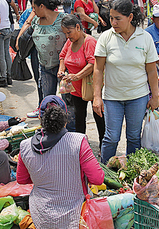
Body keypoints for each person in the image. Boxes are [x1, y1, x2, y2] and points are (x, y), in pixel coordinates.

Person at [16, 95, 104, 228]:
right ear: (65, 119)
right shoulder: (78, 142)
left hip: (40, 217)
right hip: (74, 217)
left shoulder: (25, 146)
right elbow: (97, 179)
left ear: (40, 118)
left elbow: (22, 179)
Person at [93, 0, 159, 164]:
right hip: (112, 98)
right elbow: (98, 69)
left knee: (134, 137)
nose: (113, 22)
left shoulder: (144, 38)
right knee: (111, 137)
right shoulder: (106, 38)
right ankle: (105, 172)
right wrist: (97, 96)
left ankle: (132, 171)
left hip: (138, 97)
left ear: (130, 17)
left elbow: (151, 70)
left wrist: (155, 96)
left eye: (118, 18)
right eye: (111, 18)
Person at [58, 15, 106, 147]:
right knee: (79, 118)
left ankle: (104, 145)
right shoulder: (70, 41)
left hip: (91, 86)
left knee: (99, 116)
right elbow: (62, 56)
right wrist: (61, 70)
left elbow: (93, 63)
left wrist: (77, 75)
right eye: (65, 33)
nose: (68, 36)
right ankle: (81, 147)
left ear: (78, 27)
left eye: (69, 32)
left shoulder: (89, 42)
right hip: (75, 89)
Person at [31, 0, 67, 99]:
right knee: (48, 100)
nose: (33, 10)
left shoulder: (63, 19)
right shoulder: (35, 21)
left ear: (41, 6)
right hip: (44, 67)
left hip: (63, 69)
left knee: (67, 101)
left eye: (34, 7)